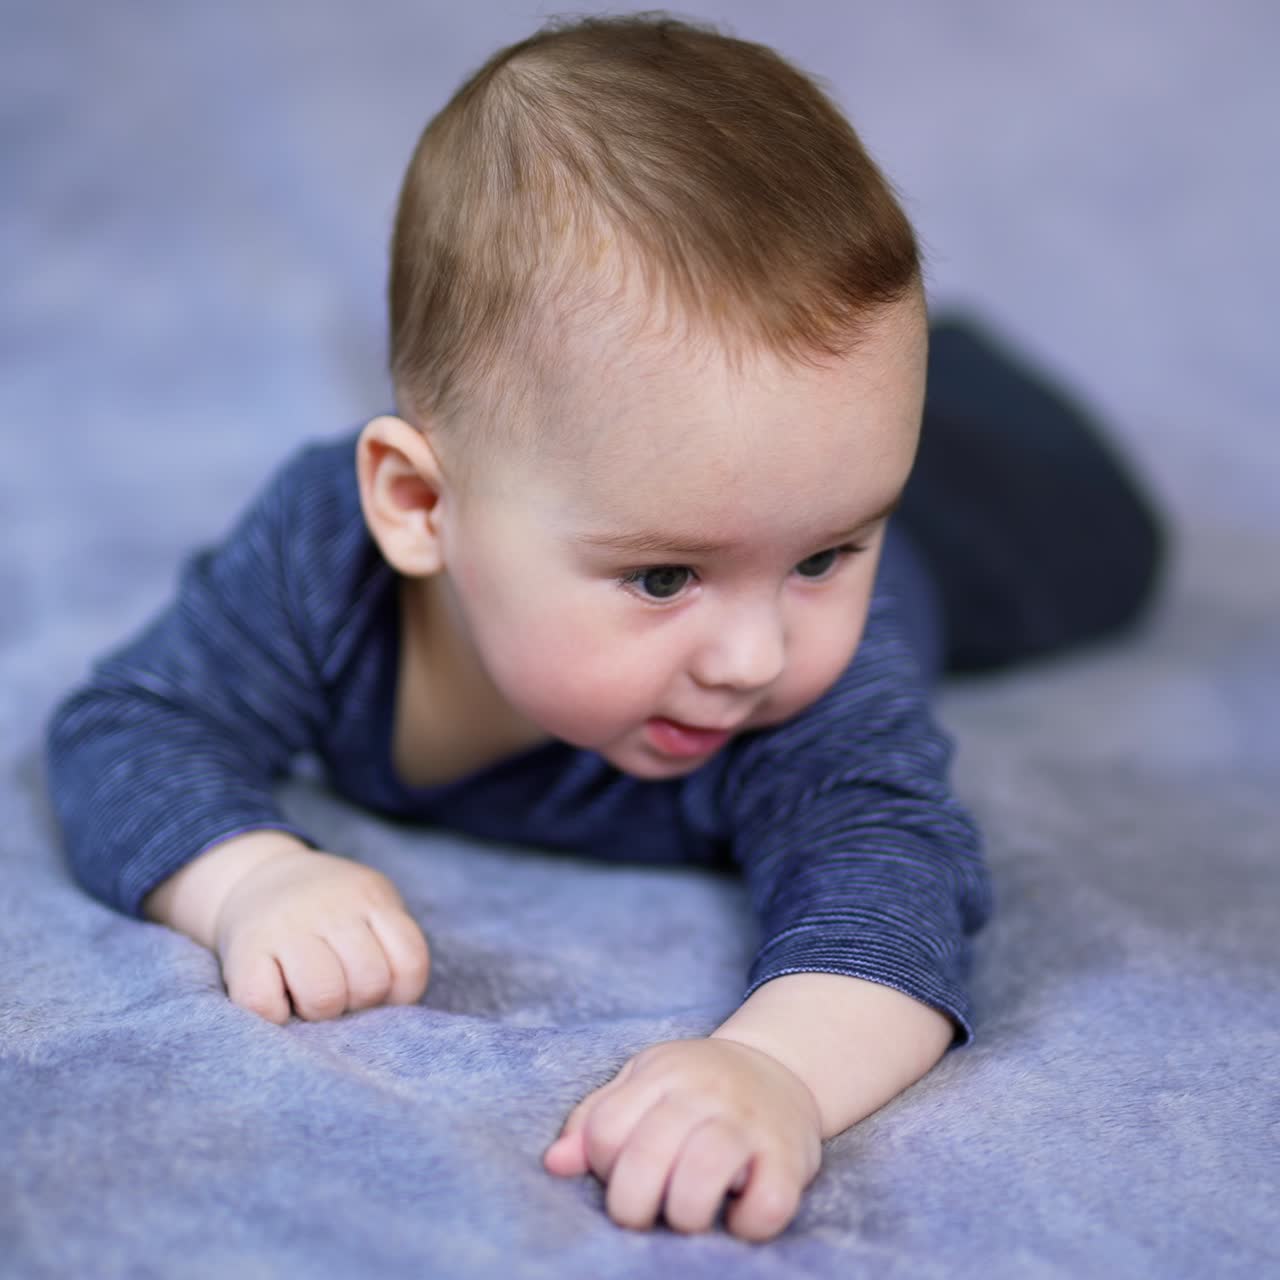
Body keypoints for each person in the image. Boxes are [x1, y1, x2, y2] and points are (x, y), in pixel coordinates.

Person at [44, 14, 1163, 1244]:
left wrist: (775, 1070)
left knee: (1103, 548)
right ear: (418, 504)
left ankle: (901, 430)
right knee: (775, 473)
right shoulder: (323, 561)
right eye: (663, 576)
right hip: (814, 453)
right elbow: (128, 724)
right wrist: (250, 875)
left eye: (824, 558)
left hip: (1006, 511)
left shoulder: (826, 674)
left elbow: (892, 877)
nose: (752, 659)